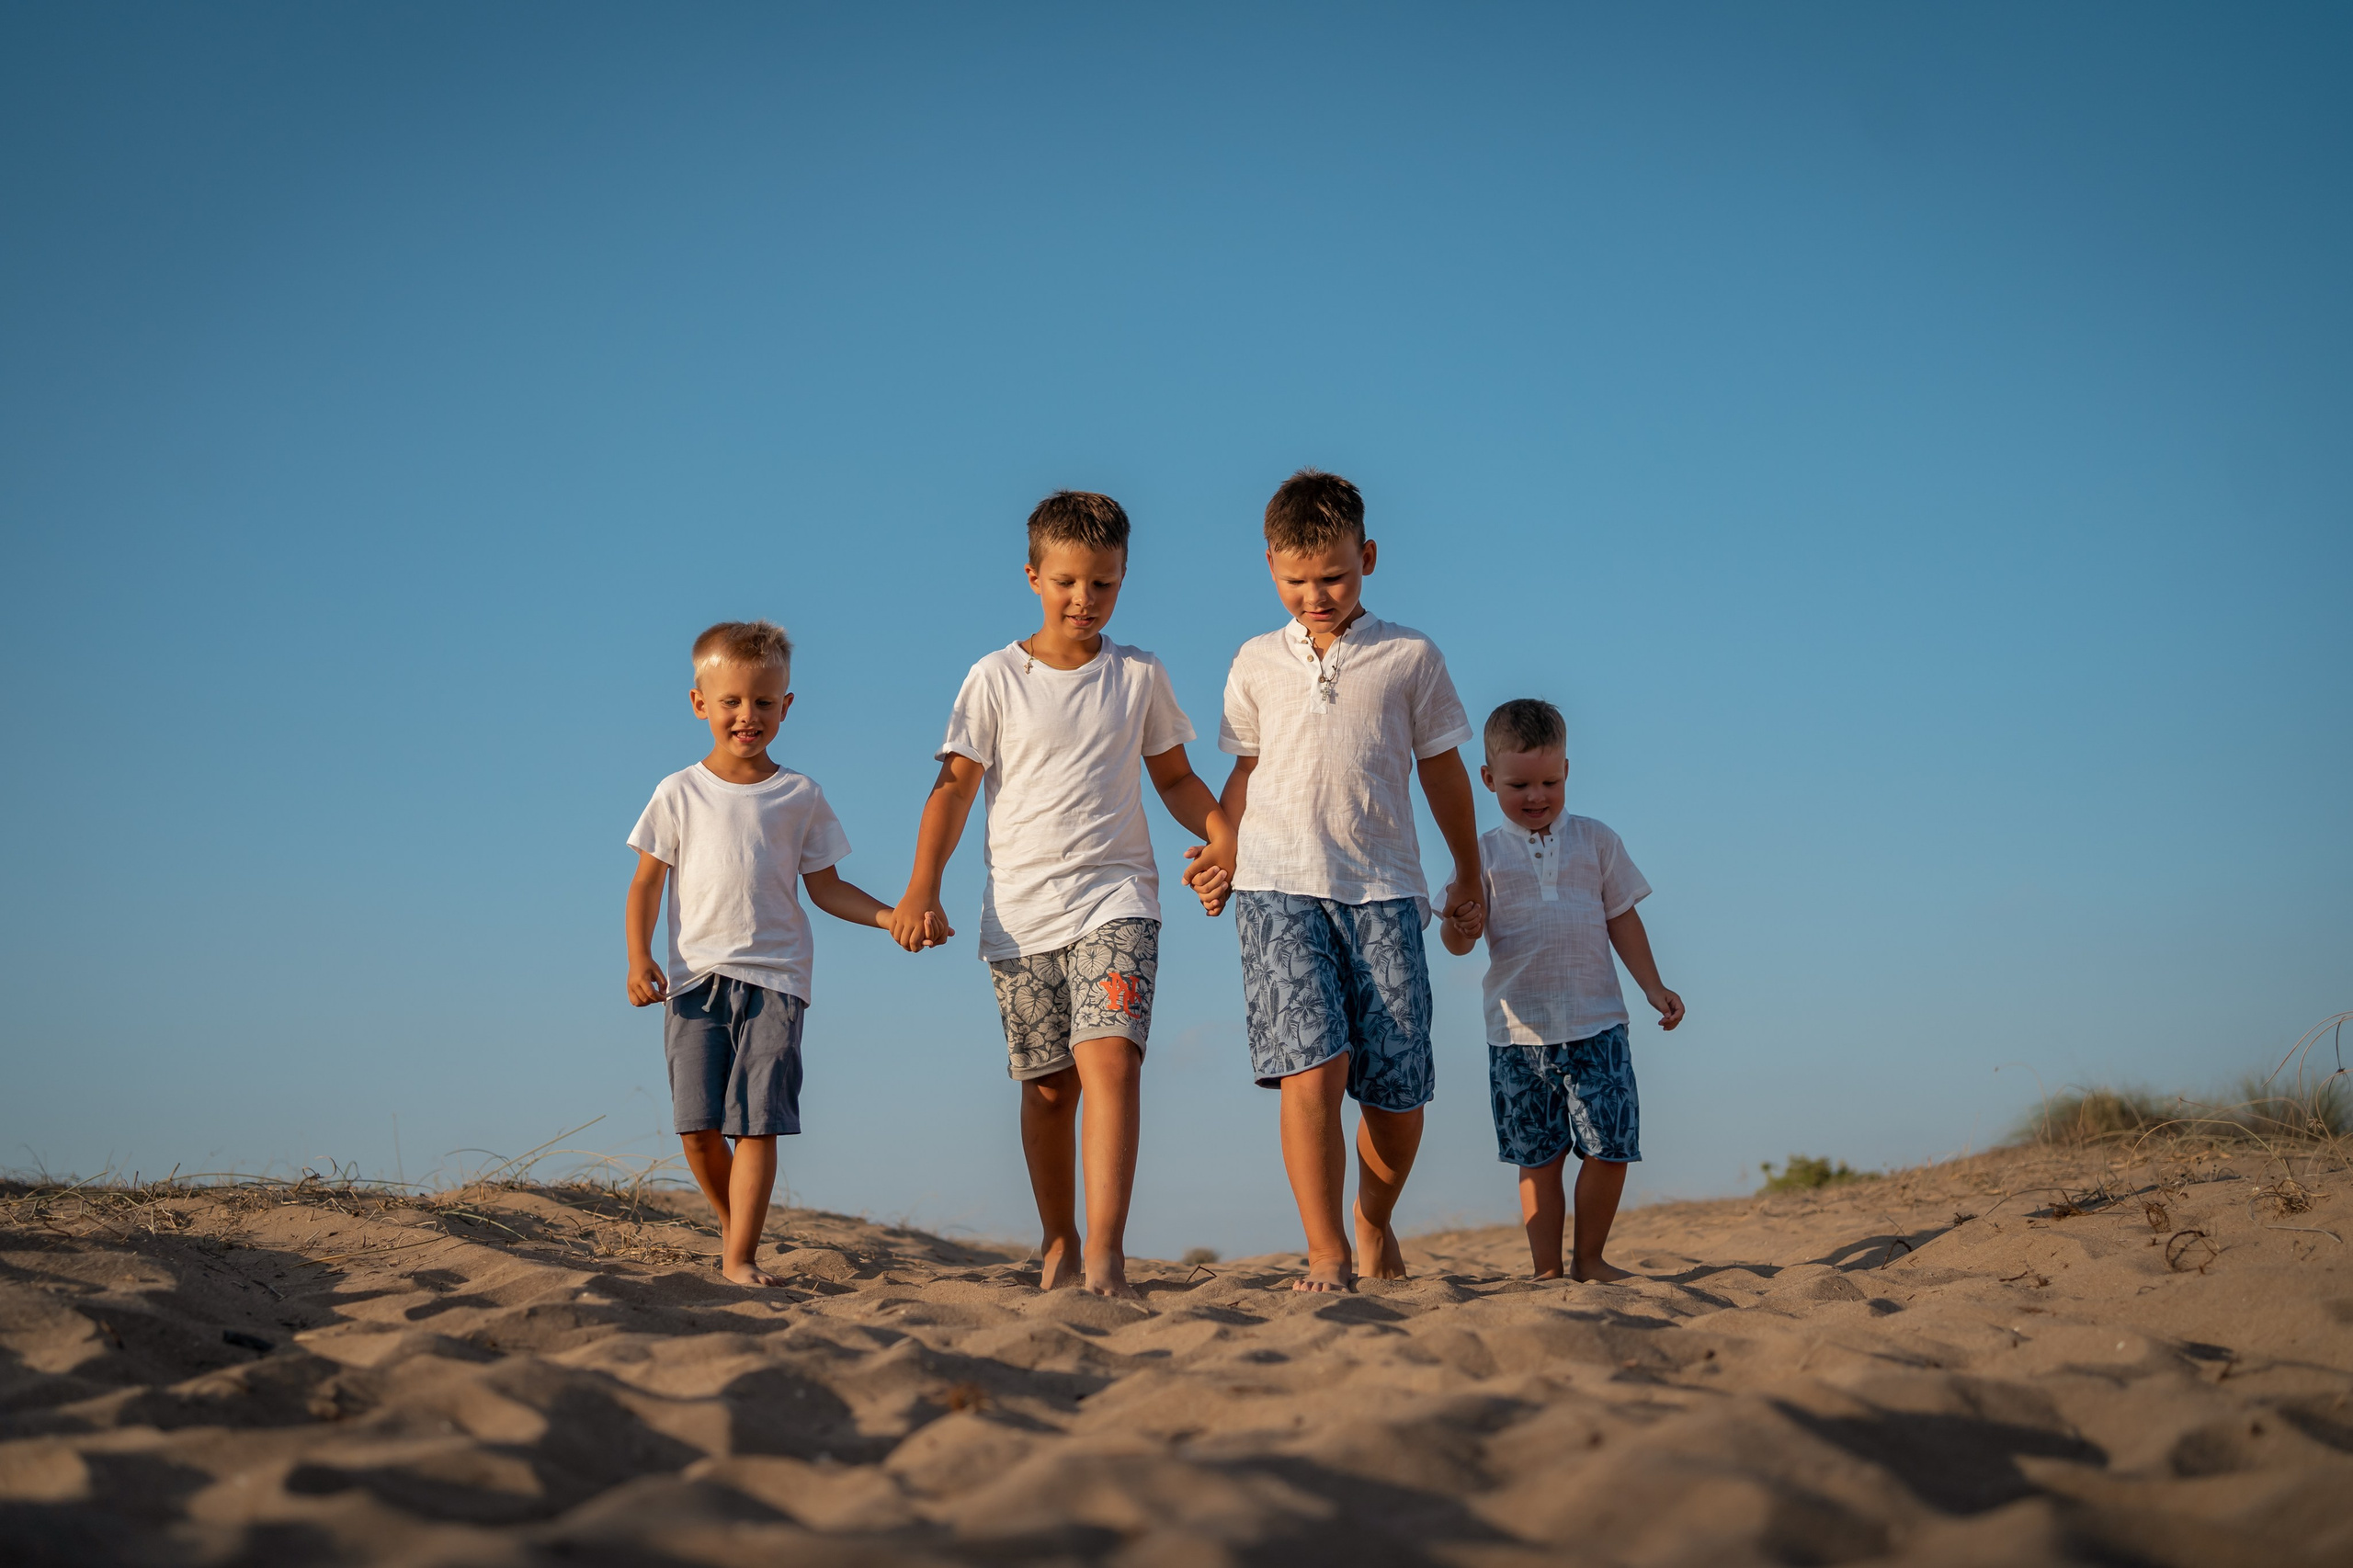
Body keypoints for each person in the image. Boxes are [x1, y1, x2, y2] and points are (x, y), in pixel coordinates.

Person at [892, 491, 1234, 1301]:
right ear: (1035, 576)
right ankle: (1060, 1238)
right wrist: (922, 885)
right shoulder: (993, 678)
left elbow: (1175, 777)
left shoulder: (1139, 673)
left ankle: (1109, 1257)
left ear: (1123, 579)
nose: (1085, 600)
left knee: (1111, 1062)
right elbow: (952, 789)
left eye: (1104, 585)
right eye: (1068, 582)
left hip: (1118, 898)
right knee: (1048, 1087)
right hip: (1020, 912)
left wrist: (1224, 834)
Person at [1215, 469, 1485, 1292]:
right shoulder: (1255, 660)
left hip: (1387, 890)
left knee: (1398, 1098)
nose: (1316, 595)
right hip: (1276, 888)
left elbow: (1443, 772)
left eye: (1332, 576)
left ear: (1366, 557)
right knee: (1313, 1069)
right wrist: (1221, 850)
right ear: (1270, 566)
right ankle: (1327, 1250)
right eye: (1296, 580)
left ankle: (1372, 1219)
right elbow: (1243, 772)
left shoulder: (1411, 656)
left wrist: (1467, 870)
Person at [624, 619, 909, 1288]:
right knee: (697, 1129)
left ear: (785, 706)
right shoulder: (677, 792)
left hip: (776, 980)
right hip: (693, 981)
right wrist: (639, 959)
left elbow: (828, 888)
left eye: (762, 702)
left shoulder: (799, 795)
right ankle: (736, 1229)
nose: (746, 715)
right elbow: (645, 882)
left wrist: (890, 917)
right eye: (731, 701)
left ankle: (740, 1258)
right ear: (700, 703)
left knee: (756, 1125)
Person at [1440, 698, 1686, 1281]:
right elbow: (1456, 941)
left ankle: (1591, 1259)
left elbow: (1622, 917)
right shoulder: (1480, 854)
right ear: (1488, 780)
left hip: (1598, 1024)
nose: (1536, 796)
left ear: (1568, 772)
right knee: (1538, 1159)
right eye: (1519, 784)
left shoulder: (1597, 841)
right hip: (1517, 1036)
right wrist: (1459, 924)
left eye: (1550, 781)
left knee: (1611, 1146)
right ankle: (1547, 1269)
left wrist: (1652, 986)